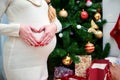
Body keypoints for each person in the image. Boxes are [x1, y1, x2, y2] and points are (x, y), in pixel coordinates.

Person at [0, 0, 62, 80]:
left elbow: (58, 23)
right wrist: (18, 29)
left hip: (41, 62)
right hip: (20, 61)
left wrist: (54, 27)